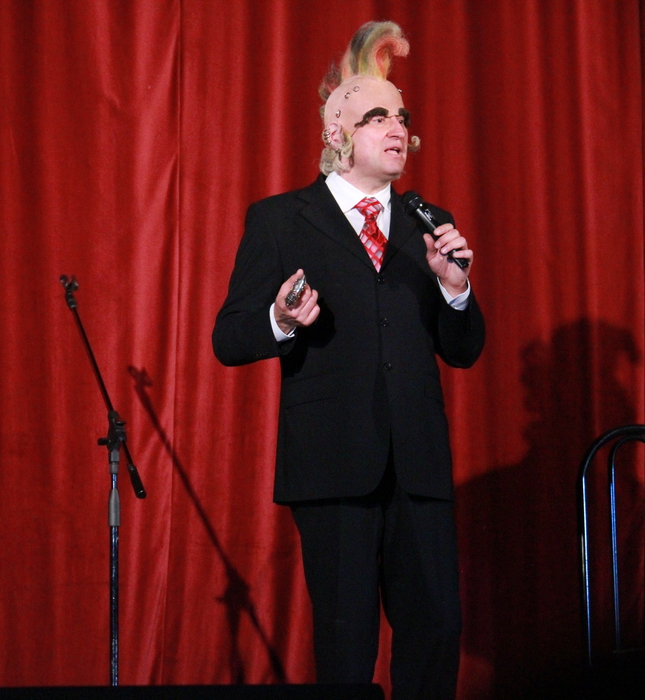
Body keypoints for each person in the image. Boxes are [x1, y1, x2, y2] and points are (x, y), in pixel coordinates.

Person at [212, 21, 485, 700]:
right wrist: (280, 319)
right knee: (346, 645)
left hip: (418, 468)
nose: (397, 129)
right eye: (377, 117)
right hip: (333, 468)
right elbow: (229, 337)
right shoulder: (281, 220)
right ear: (338, 132)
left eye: (402, 118)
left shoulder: (427, 221)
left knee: (437, 631)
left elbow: (463, 350)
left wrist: (455, 291)